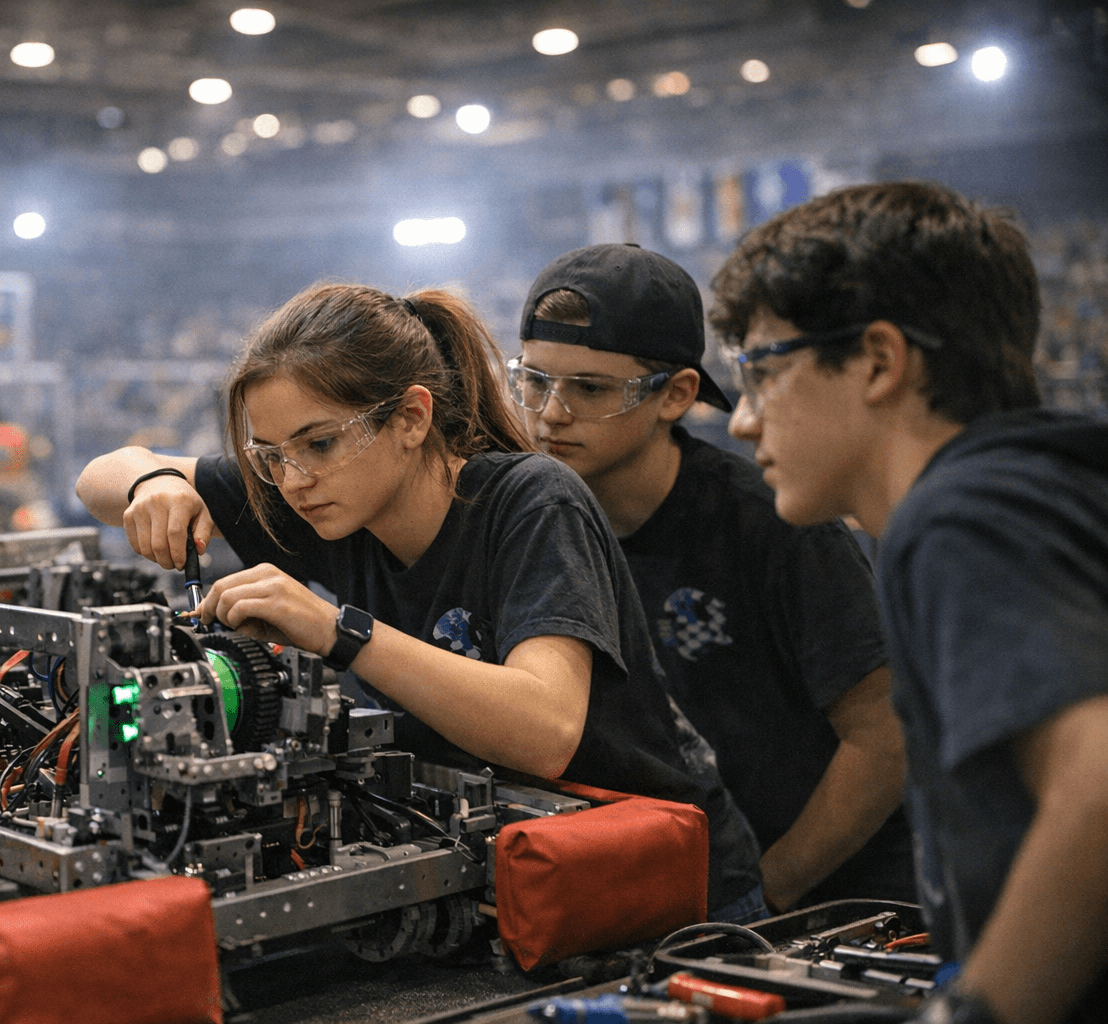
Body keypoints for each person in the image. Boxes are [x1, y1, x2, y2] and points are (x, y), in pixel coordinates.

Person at [76, 282, 764, 921]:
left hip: (655, 881)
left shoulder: (530, 502)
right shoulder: (324, 498)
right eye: (270, 455)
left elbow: (547, 730)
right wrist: (153, 481)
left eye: (318, 443)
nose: (292, 479)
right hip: (504, 868)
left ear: (410, 417)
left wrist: (336, 631)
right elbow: (98, 477)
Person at [711, 181, 1108, 1024]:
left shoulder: (960, 517)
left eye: (760, 370)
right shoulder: (1051, 485)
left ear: (880, 362)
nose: (743, 420)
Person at [512, 243, 914, 914]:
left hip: (833, 903)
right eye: (534, 379)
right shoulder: (538, 521)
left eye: (589, 388)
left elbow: (886, 734)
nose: (551, 413)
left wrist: (767, 889)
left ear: (677, 394)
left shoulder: (775, 522)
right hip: (667, 894)